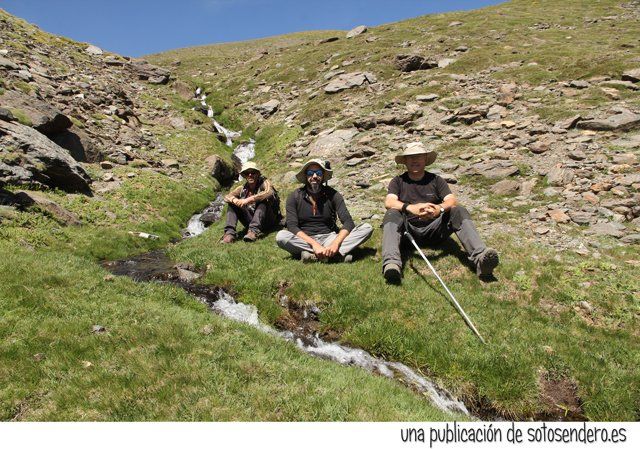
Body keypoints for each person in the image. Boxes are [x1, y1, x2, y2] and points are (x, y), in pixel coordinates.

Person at [381, 142, 499, 283]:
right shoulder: (397, 181)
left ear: (425, 159)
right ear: (405, 161)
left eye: (418, 156)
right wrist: (410, 208)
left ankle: (481, 258)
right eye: (410, 157)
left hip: (435, 231)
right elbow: (389, 202)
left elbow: (452, 200)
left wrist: (439, 209)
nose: (415, 160)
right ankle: (392, 264)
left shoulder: (436, 180)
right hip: (408, 232)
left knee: (458, 210)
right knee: (392, 213)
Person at [276, 159, 373, 263]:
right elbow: (292, 226)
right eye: (310, 173)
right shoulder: (294, 196)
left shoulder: (333, 195)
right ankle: (335, 255)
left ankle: (314, 255)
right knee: (281, 236)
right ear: (306, 176)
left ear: (323, 176)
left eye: (318, 173)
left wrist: (335, 243)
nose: (314, 176)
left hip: (330, 238)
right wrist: (314, 244)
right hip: (305, 239)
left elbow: (348, 222)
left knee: (366, 228)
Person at [221, 161, 280, 243]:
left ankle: (253, 232)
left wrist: (247, 200)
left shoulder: (265, 182)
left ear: (258, 174)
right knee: (232, 204)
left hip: (268, 219)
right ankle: (229, 234)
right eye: (247, 173)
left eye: (253, 172)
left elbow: (269, 192)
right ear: (244, 175)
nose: (250, 175)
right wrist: (235, 200)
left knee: (263, 200)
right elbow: (227, 196)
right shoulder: (242, 188)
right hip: (251, 219)